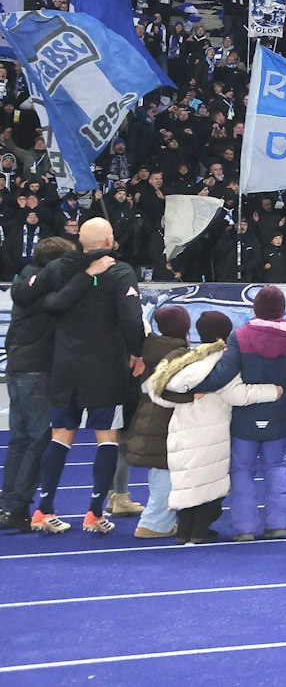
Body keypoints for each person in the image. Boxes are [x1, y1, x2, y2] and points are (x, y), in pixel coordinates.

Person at [36, 219, 145, 534]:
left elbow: (33, 297)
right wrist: (137, 352)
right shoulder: (119, 271)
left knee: (60, 435)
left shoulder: (60, 268)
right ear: (109, 241)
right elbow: (131, 318)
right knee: (107, 438)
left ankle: (43, 508)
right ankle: (95, 513)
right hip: (105, 368)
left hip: (65, 366)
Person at [147, 310, 284, 545]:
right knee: (209, 482)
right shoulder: (222, 360)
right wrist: (272, 391)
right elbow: (235, 394)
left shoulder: (188, 360)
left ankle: (184, 530)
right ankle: (200, 531)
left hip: (182, 429)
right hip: (212, 431)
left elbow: (157, 391)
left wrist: (187, 398)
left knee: (187, 480)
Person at [190, 284, 286, 540]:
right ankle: (278, 523)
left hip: (244, 418)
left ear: (256, 308)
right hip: (279, 417)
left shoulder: (241, 336)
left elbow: (223, 374)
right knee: (276, 467)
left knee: (242, 471)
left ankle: (244, 527)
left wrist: (191, 387)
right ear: (282, 310)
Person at [0, 237, 75, 532]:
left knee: (20, 439)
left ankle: (8, 503)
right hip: (38, 369)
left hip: (18, 366)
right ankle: (16, 506)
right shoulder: (49, 291)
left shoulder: (26, 281)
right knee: (36, 440)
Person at [123, 305, 192, 538]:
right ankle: (154, 523)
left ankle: (159, 521)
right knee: (165, 472)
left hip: (148, 417)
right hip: (166, 420)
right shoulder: (178, 354)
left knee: (159, 471)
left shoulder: (149, 347)